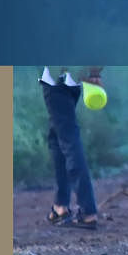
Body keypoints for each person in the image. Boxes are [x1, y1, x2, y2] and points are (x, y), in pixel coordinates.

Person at [41, 66, 103, 230]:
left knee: (69, 141)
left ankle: (88, 212)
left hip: (56, 79)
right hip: (74, 80)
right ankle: (60, 206)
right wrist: (94, 73)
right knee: (57, 137)